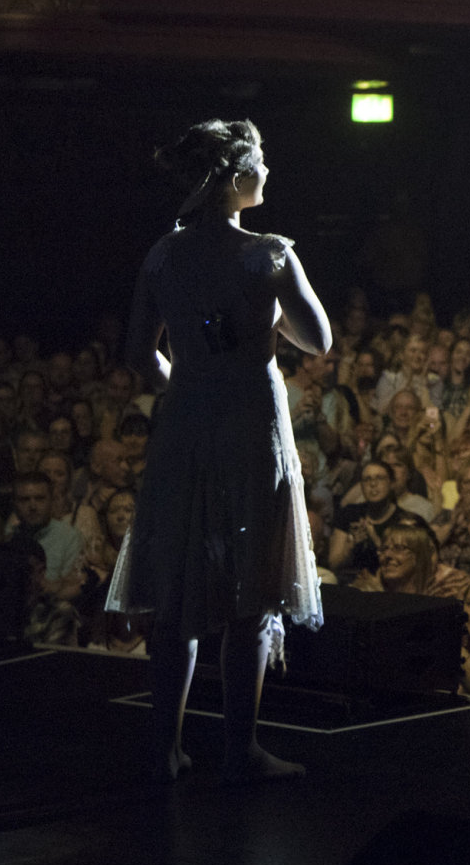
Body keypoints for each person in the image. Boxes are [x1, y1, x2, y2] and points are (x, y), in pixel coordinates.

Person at [105, 118, 333, 785]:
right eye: (261, 163)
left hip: (186, 425)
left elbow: (137, 350)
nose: (268, 173)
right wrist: (268, 322)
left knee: (177, 593)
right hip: (251, 426)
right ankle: (240, 748)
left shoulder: (163, 255)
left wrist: (190, 383)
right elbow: (318, 339)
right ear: (235, 178)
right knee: (250, 592)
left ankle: (164, 748)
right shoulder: (268, 253)